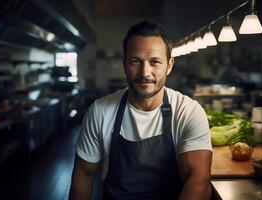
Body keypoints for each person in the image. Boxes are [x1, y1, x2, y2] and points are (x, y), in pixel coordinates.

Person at [69, 21, 213, 200]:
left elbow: (198, 180)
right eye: (136, 61)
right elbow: (84, 172)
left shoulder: (188, 112)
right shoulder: (100, 111)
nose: (145, 72)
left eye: (155, 62)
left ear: (169, 65)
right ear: (124, 64)